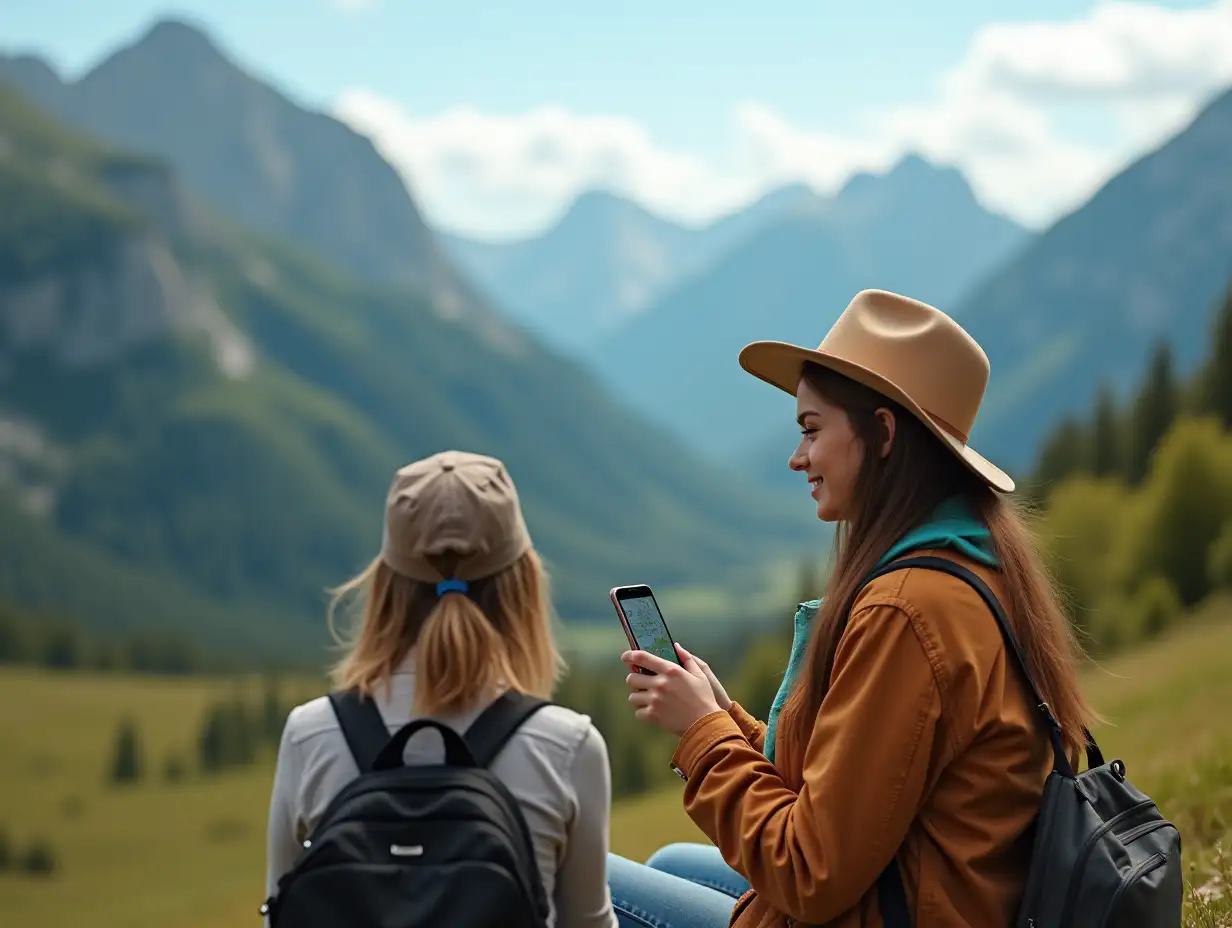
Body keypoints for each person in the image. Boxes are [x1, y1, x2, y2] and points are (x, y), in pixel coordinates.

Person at [606, 289, 1099, 928]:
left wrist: (702, 737)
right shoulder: (972, 566)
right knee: (673, 858)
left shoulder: (905, 612)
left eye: (812, 429)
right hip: (921, 894)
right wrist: (720, 714)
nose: (797, 457)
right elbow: (854, 782)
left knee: (595, 882)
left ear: (883, 433)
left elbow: (809, 872)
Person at [265, 450, 619, 928]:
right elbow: (587, 924)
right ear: (522, 584)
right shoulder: (567, 747)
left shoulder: (310, 735)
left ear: (384, 585)